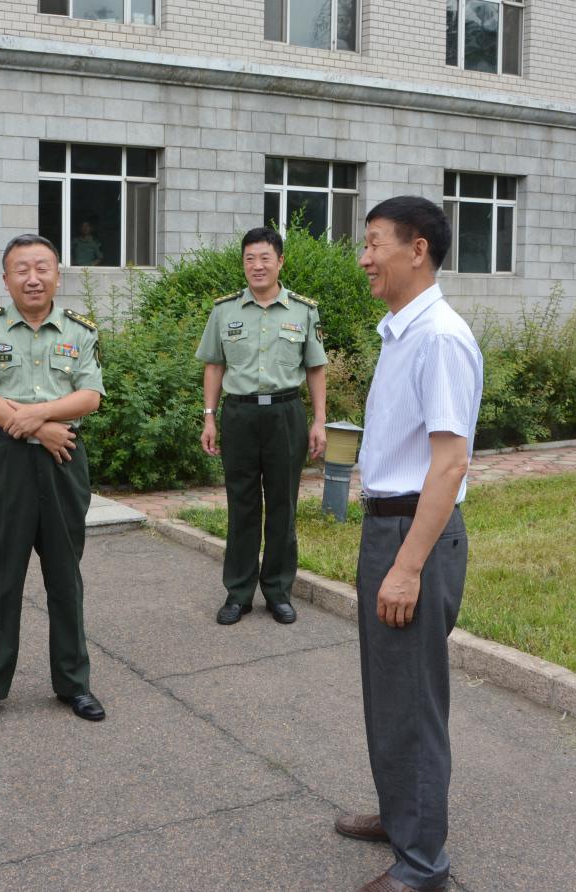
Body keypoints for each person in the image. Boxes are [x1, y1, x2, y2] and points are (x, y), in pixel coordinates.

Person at [334, 197, 482, 892]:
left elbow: (449, 464)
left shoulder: (440, 337)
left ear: (416, 249)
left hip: (412, 534)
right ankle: (402, 816)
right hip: (388, 525)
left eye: (373, 244)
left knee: (413, 702)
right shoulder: (402, 331)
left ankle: (423, 866)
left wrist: (407, 567)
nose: (364, 258)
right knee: (389, 692)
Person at [0, 233, 106, 730]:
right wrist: (40, 428)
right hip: (3, 460)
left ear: (57, 276)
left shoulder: (79, 331)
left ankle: (74, 683)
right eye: (21, 269)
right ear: (6, 280)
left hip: (64, 459)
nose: (33, 278)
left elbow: (90, 396)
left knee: (65, 575)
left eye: (42, 268)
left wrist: (37, 417)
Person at [196, 226, 327, 626]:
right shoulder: (225, 311)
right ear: (243, 264)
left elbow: (315, 367)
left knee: (283, 505)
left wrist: (320, 420)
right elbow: (214, 365)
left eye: (265, 258)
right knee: (242, 505)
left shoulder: (303, 311)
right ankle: (238, 594)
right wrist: (209, 416)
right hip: (239, 415)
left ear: (280, 261)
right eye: (250, 258)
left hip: (285, 414)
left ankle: (278, 591)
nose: (257, 266)